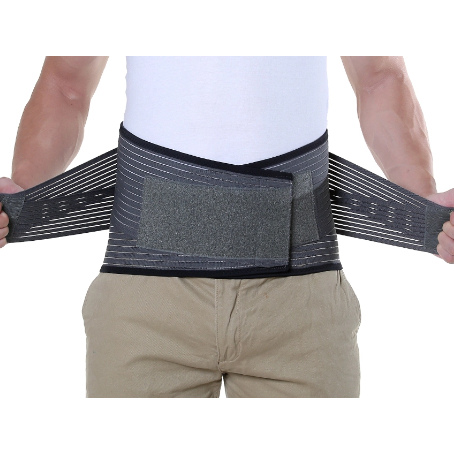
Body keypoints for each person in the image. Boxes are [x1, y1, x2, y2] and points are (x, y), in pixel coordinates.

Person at [0, 56, 452, 398]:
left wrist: (423, 207)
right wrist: (18, 199)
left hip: (301, 306)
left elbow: (380, 77)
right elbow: (65, 83)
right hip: (144, 299)